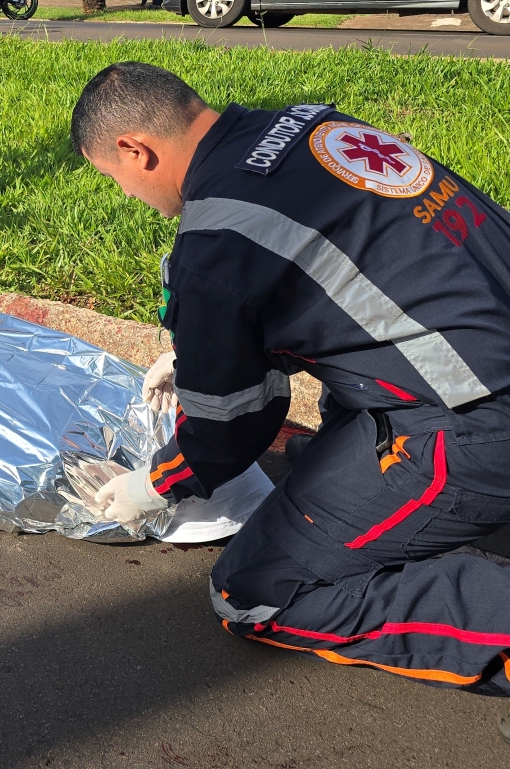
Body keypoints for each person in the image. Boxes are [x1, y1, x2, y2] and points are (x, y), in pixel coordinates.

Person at [75, 61, 510, 705]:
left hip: (478, 418)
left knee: (252, 592)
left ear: (134, 150)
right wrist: (198, 355)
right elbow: (342, 278)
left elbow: (234, 425)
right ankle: (359, 486)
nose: (125, 194)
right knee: (333, 425)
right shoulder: (305, 123)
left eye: (112, 179)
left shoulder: (217, 237)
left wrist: (157, 483)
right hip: (483, 341)